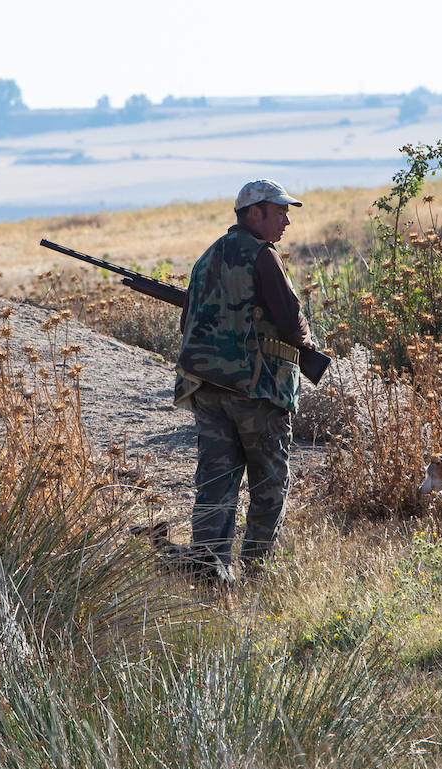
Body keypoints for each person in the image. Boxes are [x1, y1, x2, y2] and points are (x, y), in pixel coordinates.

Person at [173, 178, 316, 582]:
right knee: (269, 487)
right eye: (280, 211)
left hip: (207, 391)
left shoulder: (207, 257)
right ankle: (257, 575)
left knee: (215, 486)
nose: (286, 220)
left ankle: (209, 574)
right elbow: (291, 321)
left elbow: (188, 323)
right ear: (255, 213)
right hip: (257, 392)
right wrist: (306, 343)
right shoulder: (263, 255)